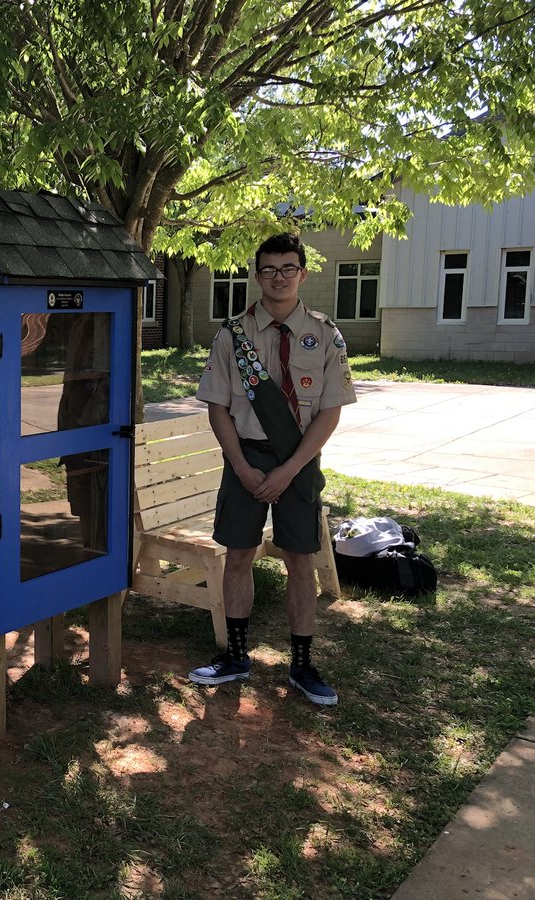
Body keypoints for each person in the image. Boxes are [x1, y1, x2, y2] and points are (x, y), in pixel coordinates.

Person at [189, 233, 356, 705]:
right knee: (238, 555)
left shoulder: (326, 335)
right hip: (246, 459)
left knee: (301, 561)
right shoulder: (232, 335)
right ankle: (236, 657)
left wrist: (290, 469)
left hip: (298, 461)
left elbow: (330, 411)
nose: (278, 278)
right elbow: (218, 407)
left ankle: (302, 666)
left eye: (288, 269)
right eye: (269, 270)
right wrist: (240, 465)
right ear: (257, 275)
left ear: (303, 273)